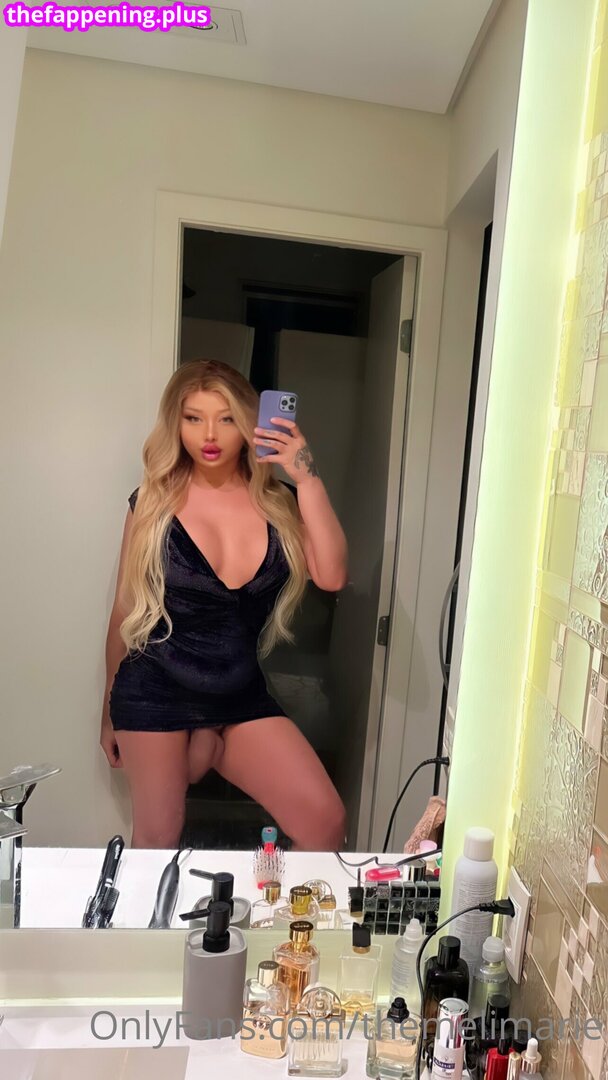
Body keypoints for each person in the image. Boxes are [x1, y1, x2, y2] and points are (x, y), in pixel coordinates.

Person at [100, 358, 349, 851]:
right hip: (156, 688)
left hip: (239, 694)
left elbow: (332, 574)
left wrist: (308, 478)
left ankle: (278, 907)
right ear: (176, 424)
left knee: (324, 820)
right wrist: (107, 712)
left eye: (227, 418)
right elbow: (124, 612)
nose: (209, 435)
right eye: (193, 418)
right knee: (156, 840)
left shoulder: (281, 502)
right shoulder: (151, 502)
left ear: (249, 423)